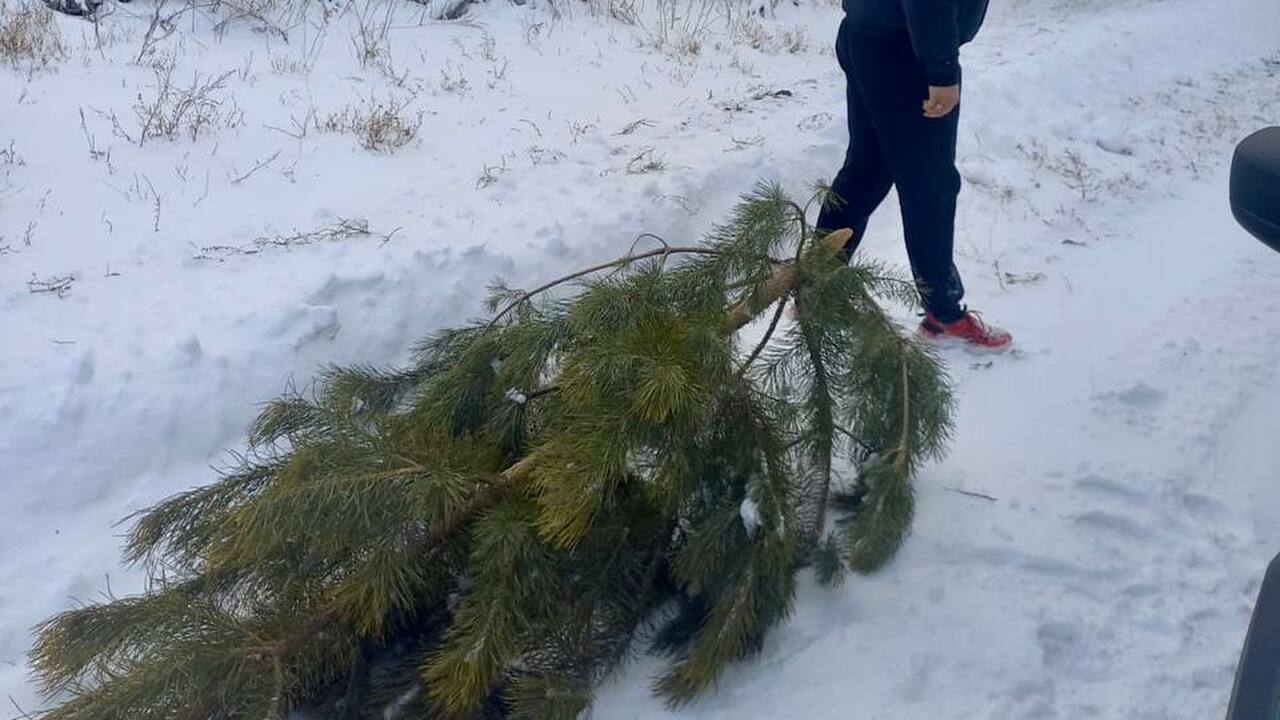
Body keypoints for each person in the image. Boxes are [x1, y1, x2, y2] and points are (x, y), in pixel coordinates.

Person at [818, 0, 1012, 352]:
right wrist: (941, 70)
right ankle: (943, 314)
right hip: (906, 50)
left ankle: (814, 286)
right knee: (930, 185)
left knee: (868, 168)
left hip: (869, 32)